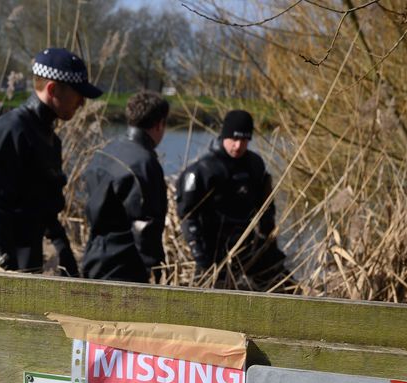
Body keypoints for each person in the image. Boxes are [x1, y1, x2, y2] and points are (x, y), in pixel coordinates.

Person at [0, 48, 103, 275]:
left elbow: (45, 204)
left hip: (27, 255)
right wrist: (1, 260)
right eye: (78, 94)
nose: (82, 103)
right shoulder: (10, 129)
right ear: (52, 89)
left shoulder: (50, 139)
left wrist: (64, 252)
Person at [176, 110, 290, 290]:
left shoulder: (254, 164)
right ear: (224, 136)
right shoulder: (202, 170)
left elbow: (267, 208)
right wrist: (201, 257)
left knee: (284, 284)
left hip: (248, 246)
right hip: (213, 251)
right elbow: (187, 216)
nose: (238, 145)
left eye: (244, 140)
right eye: (234, 139)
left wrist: (269, 242)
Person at [80, 91, 169, 282]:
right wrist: (155, 269)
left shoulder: (103, 152)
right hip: (125, 266)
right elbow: (146, 226)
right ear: (160, 124)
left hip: (94, 255)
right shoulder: (145, 163)